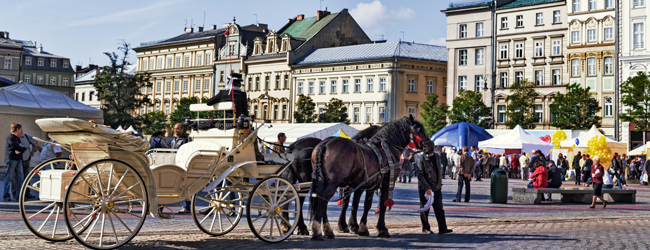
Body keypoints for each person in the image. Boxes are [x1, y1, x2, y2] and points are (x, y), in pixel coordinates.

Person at [414, 150, 453, 235]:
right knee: (425, 209)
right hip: (425, 189)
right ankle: (425, 228)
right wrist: (427, 188)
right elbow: (420, 175)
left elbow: (439, 171)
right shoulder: (421, 158)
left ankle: (442, 228)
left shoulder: (437, 157)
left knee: (439, 208)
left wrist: (439, 185)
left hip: (437, 187)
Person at [170, 123, 191, 214]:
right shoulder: (174, 140)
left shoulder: (186, 139)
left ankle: (187, 207)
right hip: (175, 163)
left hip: (182, 164)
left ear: (182, 129)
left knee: (185, 186)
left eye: (177, 129)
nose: (175, 130)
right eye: (175, 129)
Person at [4, 123, 27, 201]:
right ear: (17, 129)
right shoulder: (11, 138)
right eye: (20, 129)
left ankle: (19, 196)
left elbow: (21, 147)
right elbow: (17, 147)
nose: (21, 130)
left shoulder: (17, 138)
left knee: (20, 178)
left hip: (18, 159)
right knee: (9, 178)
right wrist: (21, 149)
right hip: (12, 159)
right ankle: (6, 195)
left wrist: (21, 149)